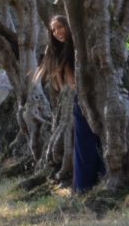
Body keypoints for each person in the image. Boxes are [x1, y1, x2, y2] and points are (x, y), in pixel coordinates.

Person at [36, 14, 105, 192]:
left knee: (99, 140)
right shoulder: (61, 53)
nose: (58, 32)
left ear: (68, 25)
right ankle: (84, 187)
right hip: (82, 101)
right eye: (54, 30)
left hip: (98, 97)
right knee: (84, 143)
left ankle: (99, 178)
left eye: (60, 27)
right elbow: (70, 84)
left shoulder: (80, 45)